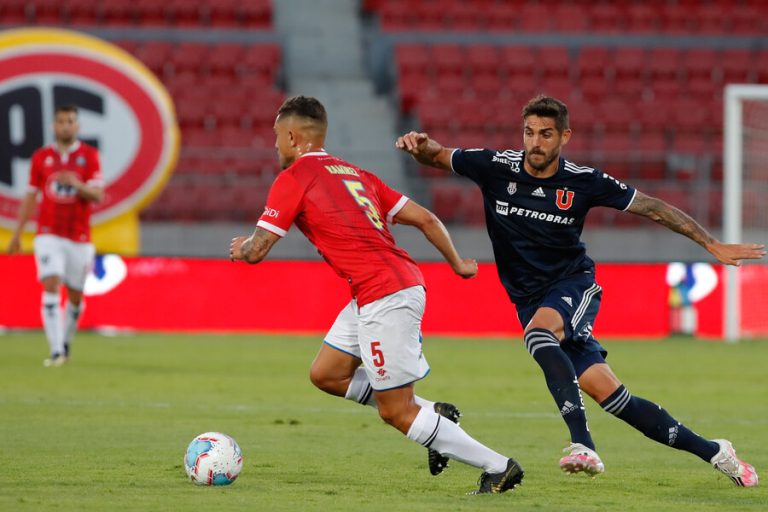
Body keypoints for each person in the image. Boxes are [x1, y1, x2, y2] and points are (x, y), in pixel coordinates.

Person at [396, 94, 764, 487]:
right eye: (529, 133)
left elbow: (653, 207)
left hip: (572, 285)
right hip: (529, 299)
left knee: (538, 334)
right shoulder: (495, 167)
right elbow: (438, 156)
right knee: (616, 400)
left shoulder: (584, 181)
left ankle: (582, 444)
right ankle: (716, 452)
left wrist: (711, 243)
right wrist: (421, 146)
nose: (535, 143)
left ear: (565, 136)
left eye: (546, 134)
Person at [229, 95, 523, 494]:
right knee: (327, 374)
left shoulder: (294, 178)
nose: (275, 144)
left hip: (387, 294)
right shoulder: (356, 174)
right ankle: (434, 412)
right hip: (379, 288)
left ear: (294, 137)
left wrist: (242, 247)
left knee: (396, 412)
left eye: (277, 136)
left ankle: (498, 466)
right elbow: (426, 217)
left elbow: (258, 250)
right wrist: (456, 262)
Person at [7, 104, 104, 367]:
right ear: (54, 126)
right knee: (50, 283)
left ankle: (66, 341)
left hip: (79, 237)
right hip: (48, 233)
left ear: (78, 126)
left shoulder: (89, 155)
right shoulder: (41, 157)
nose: (65, 126)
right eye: (61, 121)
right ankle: (56, 350)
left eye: (70, 121)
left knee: (75, 296)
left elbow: (98, 195)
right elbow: (30, 196)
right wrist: (17, 234)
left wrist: (77, 185)